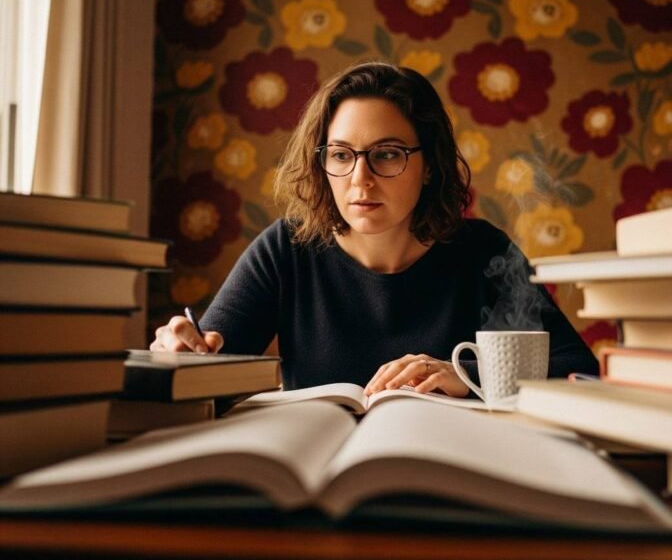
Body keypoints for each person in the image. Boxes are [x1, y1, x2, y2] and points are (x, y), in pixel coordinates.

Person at [151, 61, 598, 397]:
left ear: (428, 166)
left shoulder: (483, 253)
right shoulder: (286, 249)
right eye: (342, 155)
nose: (360, 179)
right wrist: (179, 356)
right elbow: (207, 373)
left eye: (386, 154)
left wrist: (467, 375)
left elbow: (581, 372)